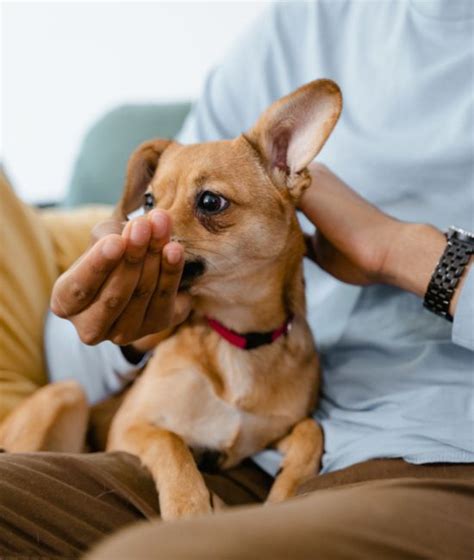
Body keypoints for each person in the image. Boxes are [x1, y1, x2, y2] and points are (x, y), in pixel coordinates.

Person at [1, 1, 473, 558]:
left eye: (209, 204)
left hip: (428, 453)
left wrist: (398, 250)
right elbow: (85, 356)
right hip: (222, 460)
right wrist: (128, 320)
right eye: (154, 204)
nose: (158, 224)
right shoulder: (301, 24)